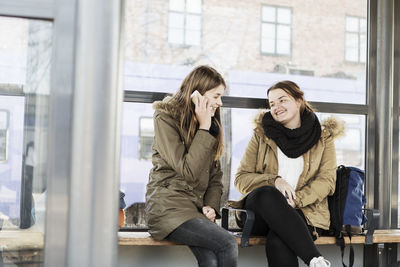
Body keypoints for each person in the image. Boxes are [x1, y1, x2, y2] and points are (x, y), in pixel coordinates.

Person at [230, 81, 345, 267]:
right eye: (272, 104)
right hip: (260, 213)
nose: (276, 107)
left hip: (304, 211)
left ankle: (316, 262)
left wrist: (297, 199)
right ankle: (315, 259)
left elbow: (327, 181)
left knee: (279, 241)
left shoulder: (323, 138)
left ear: (299, 101)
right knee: (267, 192)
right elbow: (241, 178)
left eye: (282, 100)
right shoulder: (261, 135)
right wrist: (275, 181)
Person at [145, 65, 238, 267]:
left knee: (210, 260)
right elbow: (187, 170)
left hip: (195, 209)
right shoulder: (165, 118)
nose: (220, 103)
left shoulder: (211, 126)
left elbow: (215, 177)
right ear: (198, 93)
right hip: (168, 208)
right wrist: (204, 127)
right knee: (228, 243)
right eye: (216, 96)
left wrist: (211, 206)